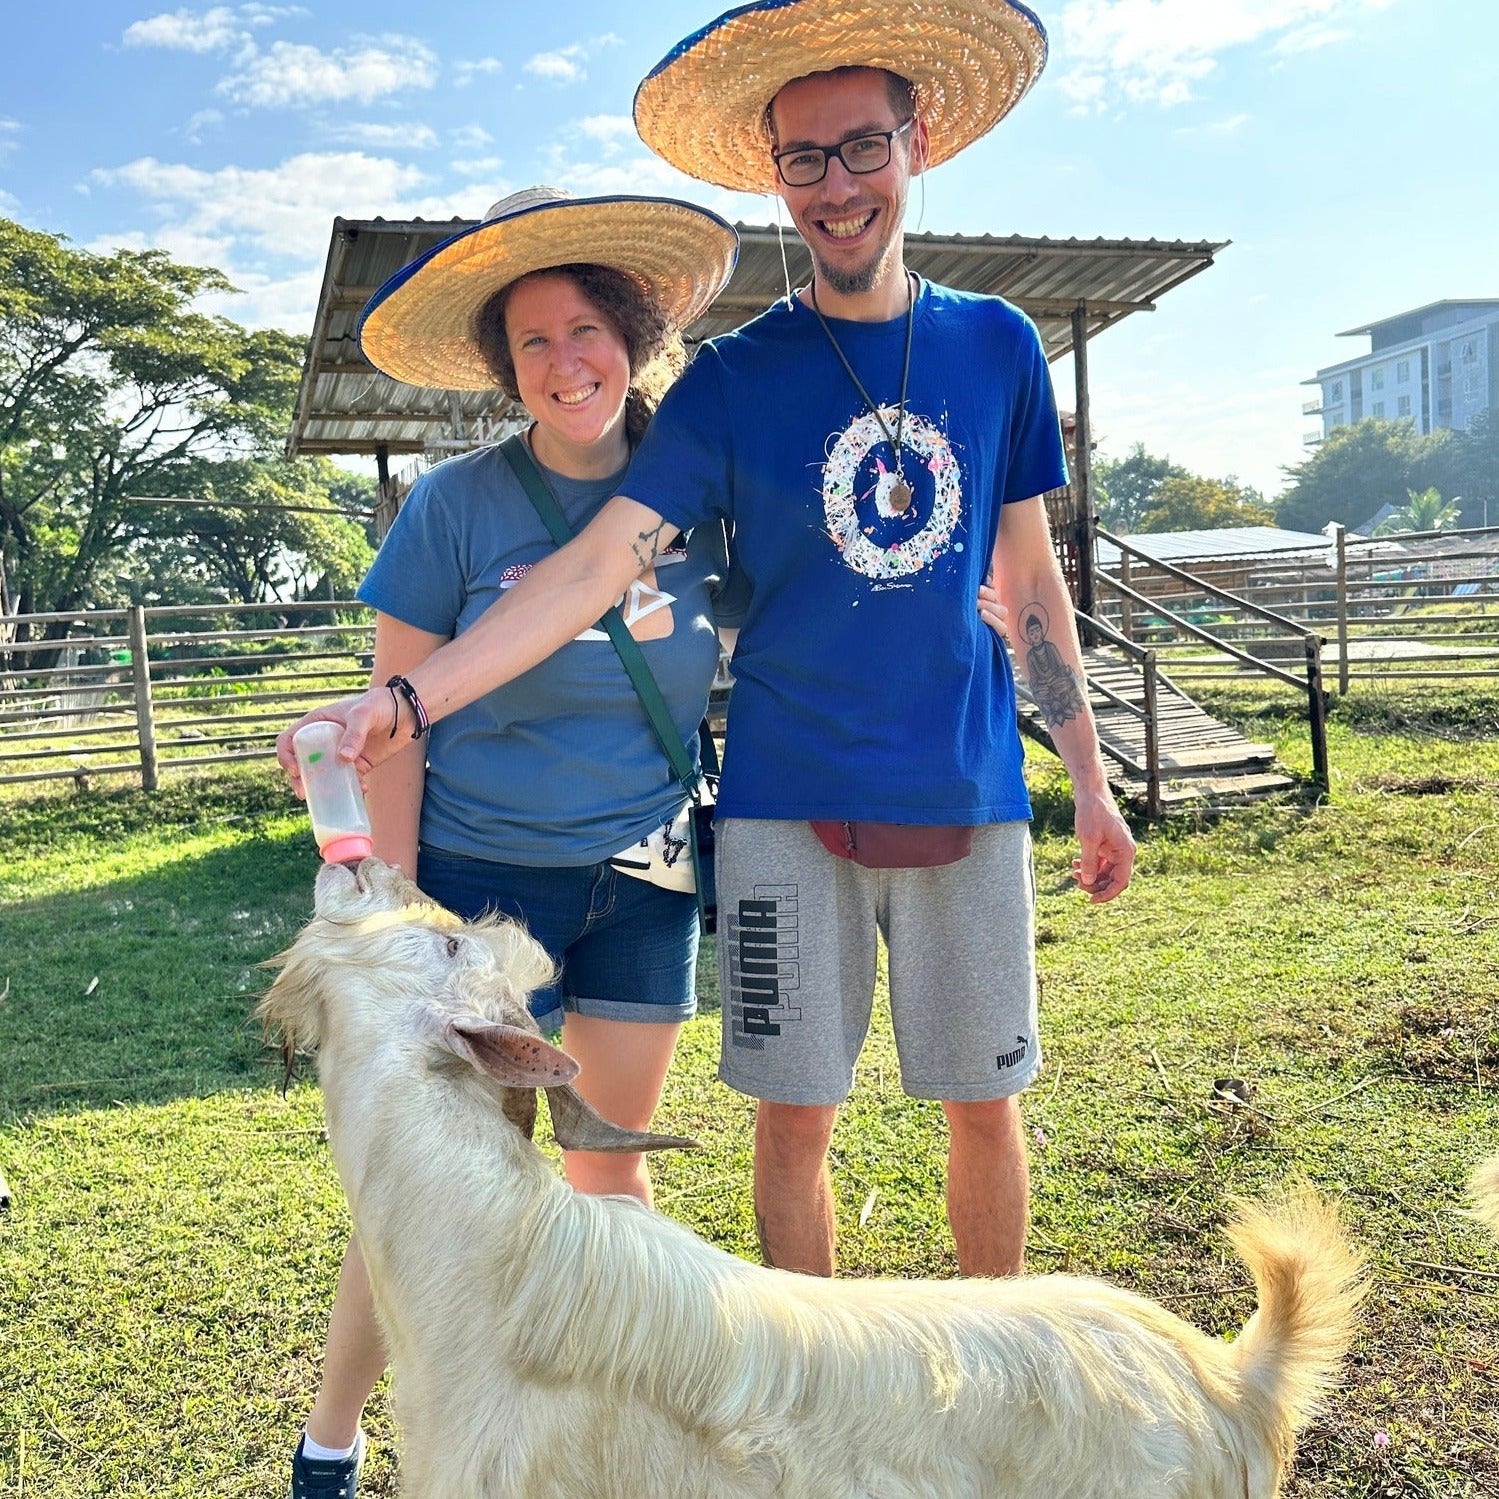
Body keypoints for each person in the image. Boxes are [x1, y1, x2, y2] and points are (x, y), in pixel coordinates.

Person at [278, 0, 1135, 1291]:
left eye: (862, 148)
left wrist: (1092, 777)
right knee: (793, 1122)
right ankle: (815, 1400)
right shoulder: (732, 382)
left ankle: (999, 1373)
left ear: (920, 145)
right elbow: (591, 569)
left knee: (983, 1104)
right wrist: (407, 694)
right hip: (784, 805)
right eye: (804, 159)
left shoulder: (999, 346)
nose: (836, 186)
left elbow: (1027, 579)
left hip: (971, 790)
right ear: (773, 177)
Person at [281, 186, 740, 1499]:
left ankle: (623, 1446)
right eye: (531, 340)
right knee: (437, 1185)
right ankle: (328, 1442)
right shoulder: (452, 508)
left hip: (646, 879)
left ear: (635, 334)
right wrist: (403, 920)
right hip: (484, 895)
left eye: (588, 327)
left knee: (608, 1171)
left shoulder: (698, 501)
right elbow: (398, 725)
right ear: (502, 365)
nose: (565, 362)